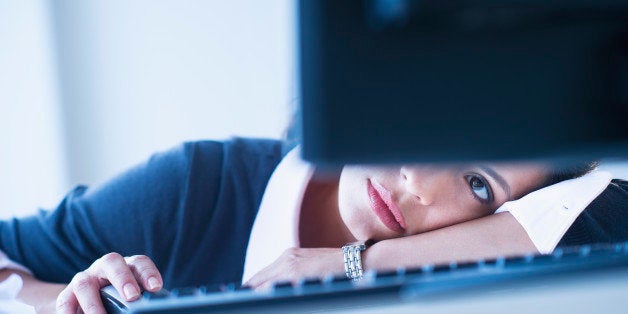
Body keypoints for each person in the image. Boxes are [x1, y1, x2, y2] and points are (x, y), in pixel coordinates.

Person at [0, 137, 600, 313]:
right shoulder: (196, 189)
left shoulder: (495, 289)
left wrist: (349, 268)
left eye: (476, 183)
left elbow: (613, 204)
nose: (419, 179)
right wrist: (64, 300)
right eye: (427, 124)